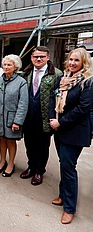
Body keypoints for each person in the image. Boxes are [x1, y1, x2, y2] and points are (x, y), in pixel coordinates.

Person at [49, 48, 93, 224]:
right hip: (60, 129)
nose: (73, 63)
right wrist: (54, 117)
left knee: (68, 167)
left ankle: (69, 208)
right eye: (71, 59)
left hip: (74, 131)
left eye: (77, 60)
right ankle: (62, 195)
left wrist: (61, 122)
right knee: (64, 164)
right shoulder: (64, 78)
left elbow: (83, 109)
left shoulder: (87, 82)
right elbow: (55, 96)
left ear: (83, 62)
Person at [20, 46, 62, 186]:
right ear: (31, 58)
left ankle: (39, 171)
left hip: (44, 117)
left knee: (42, 146)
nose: (38, 59)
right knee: (29, 144)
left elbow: (59, 98)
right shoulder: (26, 73)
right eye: (35, 57)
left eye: (42, 57)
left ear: (48, 58)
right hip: (28, 116)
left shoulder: (56, 74)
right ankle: (31, 166)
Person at [0, 54, 28, 177]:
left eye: (9, 65)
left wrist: (18, 121)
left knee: (11, 141)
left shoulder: (21, 82)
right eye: (5, 64)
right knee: (1, 139)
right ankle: (2, 161)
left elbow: (23, 103)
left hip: (12, 118)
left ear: (15, 67)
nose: (6, 67)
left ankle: (11, 164)